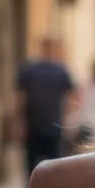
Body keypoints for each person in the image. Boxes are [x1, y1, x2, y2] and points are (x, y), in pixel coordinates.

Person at [15, 36, 77, 177]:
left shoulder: (28, 70)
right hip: (54, 126)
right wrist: (66, 121)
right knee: (55, 168)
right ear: (54, 50)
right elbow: (71, 99)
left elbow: (20, 99)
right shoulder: (61, 71)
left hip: (34, 126)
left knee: (32, 169)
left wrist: (19, 122)